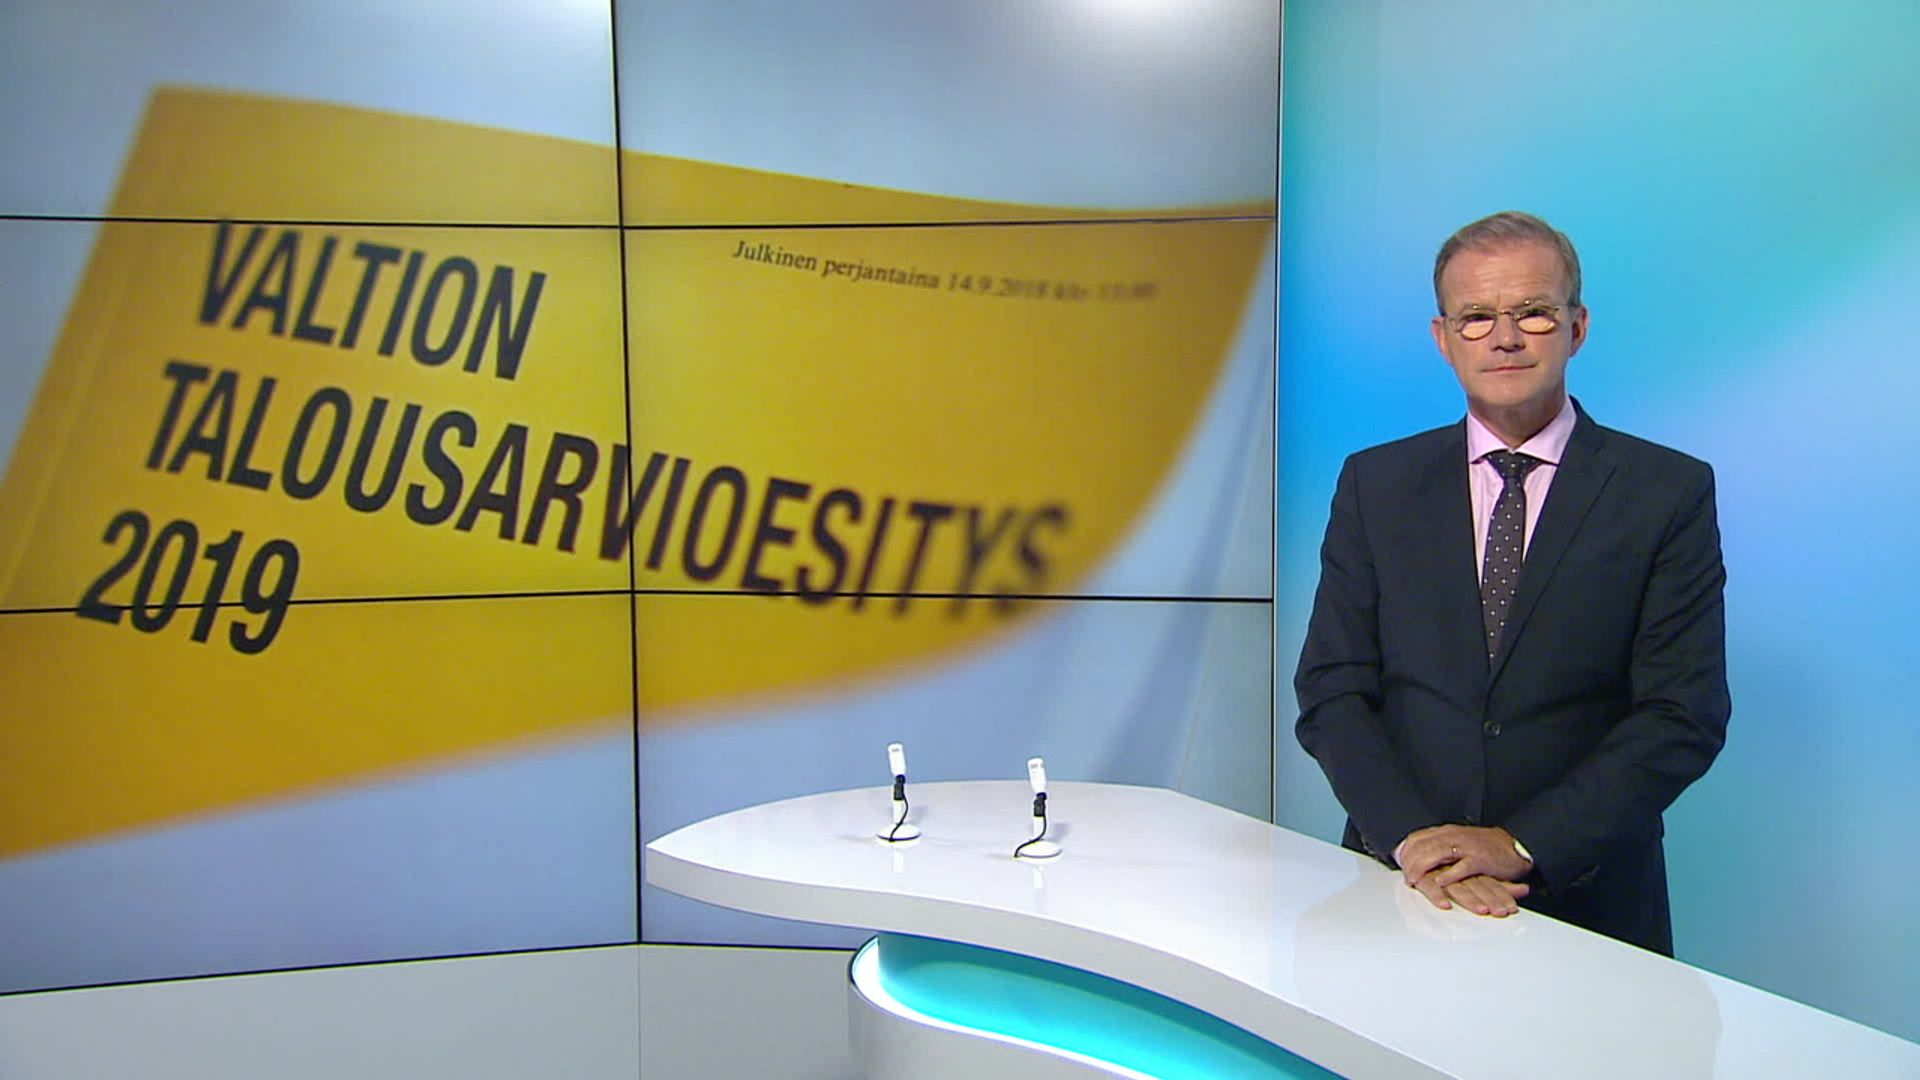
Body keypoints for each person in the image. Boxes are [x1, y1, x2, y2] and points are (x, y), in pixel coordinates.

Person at [1293, 211, 1730, 956]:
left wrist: (1520, 844)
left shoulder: (1666, 491)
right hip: (1400, 887)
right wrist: (1415, 840)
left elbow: (1681, 714)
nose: (1504, 338)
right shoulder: (1376, 484)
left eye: (1532, 312)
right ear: (1443, 338)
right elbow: (1333, 687)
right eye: (1476, 317)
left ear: (1577, 328)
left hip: (1589, 900)